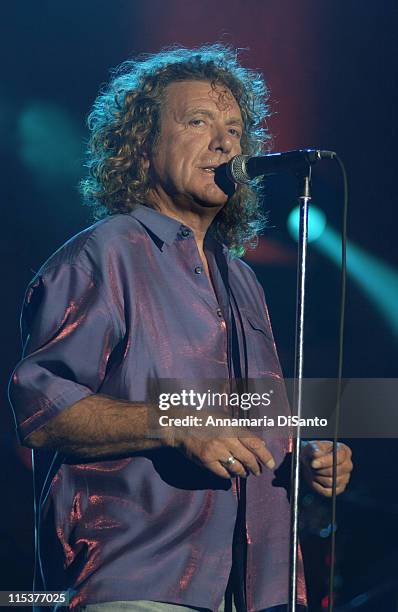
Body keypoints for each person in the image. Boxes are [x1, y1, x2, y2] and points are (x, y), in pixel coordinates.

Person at [9, 45, 352, 612]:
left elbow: (242, 428)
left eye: (236, 129)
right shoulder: (105, 253)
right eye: (198, 122)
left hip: (256, 588)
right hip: (140, 578)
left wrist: (301, 455)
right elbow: (42, 409)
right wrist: (180, 426)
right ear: (141, 144)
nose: (225, 143)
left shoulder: (241, 277)